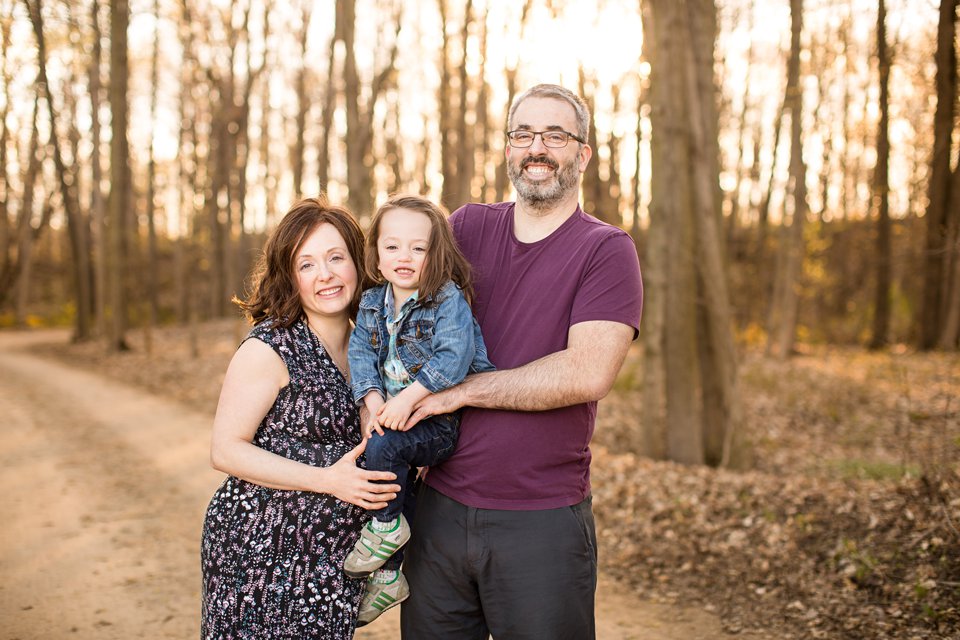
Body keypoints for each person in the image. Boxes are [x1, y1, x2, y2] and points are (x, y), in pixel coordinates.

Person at [399, 84, 644, 639]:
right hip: (438, 507)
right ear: (508, 148)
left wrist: (461, 391)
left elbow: (588, 371)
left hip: (541, 522)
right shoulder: (464, 229)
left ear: (581, 154)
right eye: (523, 134)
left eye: (556, 135)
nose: (538, 147)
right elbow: (392, 310)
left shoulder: (606, 251)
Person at [200, 196, 401, 639]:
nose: (325, 275)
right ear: (290, 277)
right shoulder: (269, 348)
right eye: (306, 264)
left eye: (335, 258)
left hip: (332, 558)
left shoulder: (373, 346)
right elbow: (225, 449)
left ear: (358, 263)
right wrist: (327, 479)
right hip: (260, 551)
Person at [344, 194, 495, 626]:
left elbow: (453, 358)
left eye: (418, 247)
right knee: (396, 478)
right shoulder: (374, 300)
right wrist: (373, 401)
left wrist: (406, 400)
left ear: (437, 253)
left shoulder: (446, 300)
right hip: (394, 416)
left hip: (437, 423)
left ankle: (386, 529)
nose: (404, 257)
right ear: (375, 252)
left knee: (385, 450)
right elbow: (360, 354)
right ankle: (391, 576)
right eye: (392, 246)